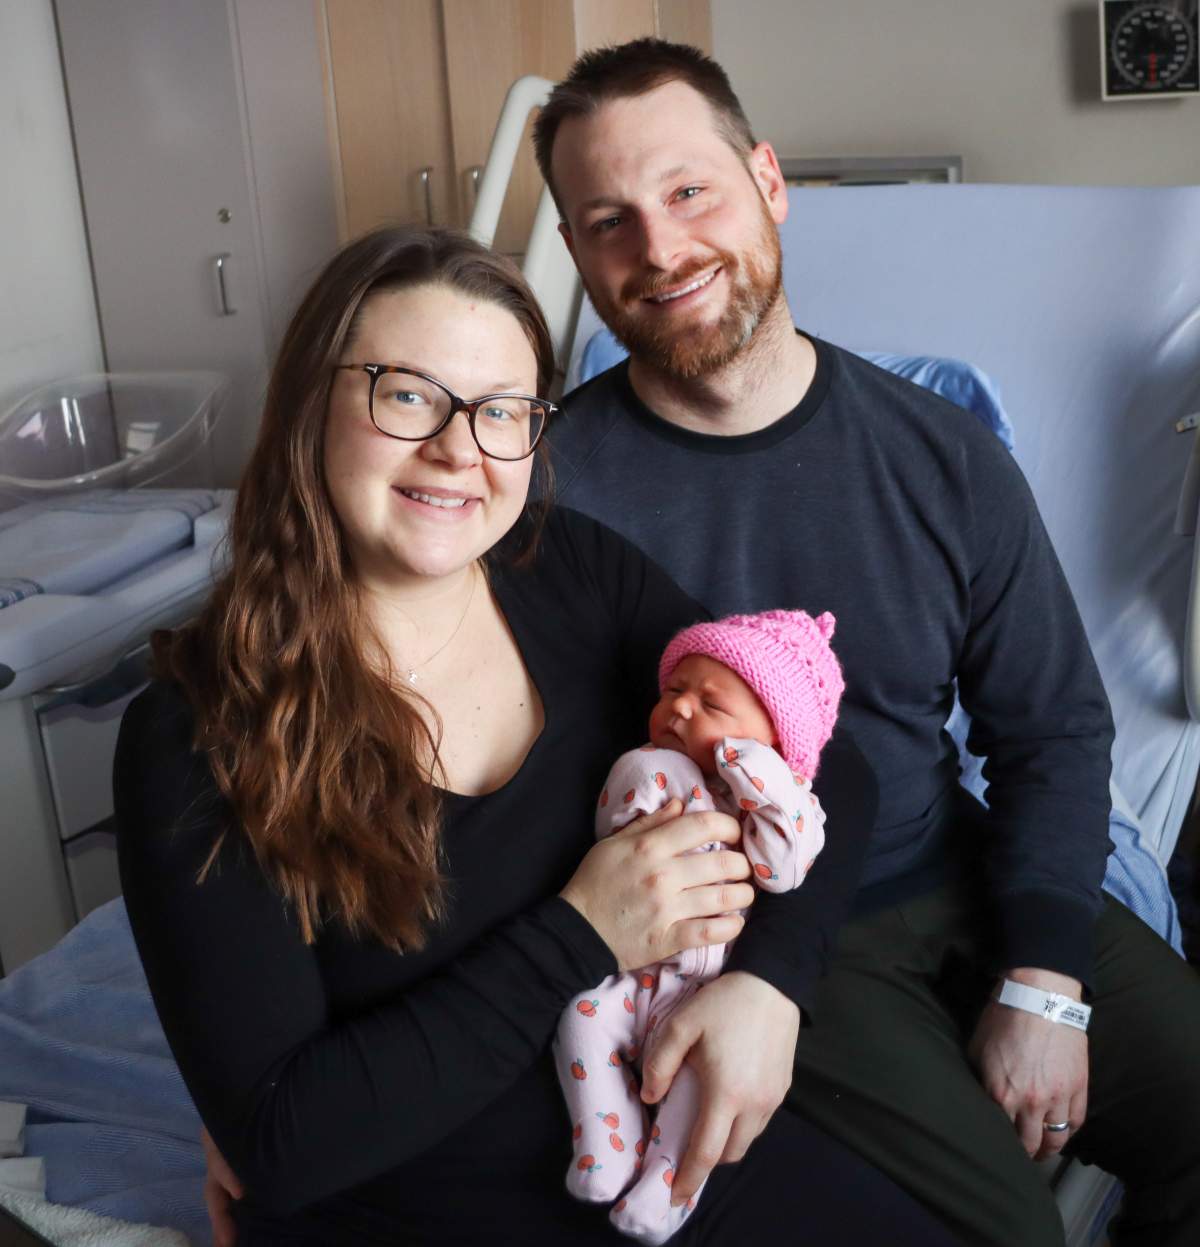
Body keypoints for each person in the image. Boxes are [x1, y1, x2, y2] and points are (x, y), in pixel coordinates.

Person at [115, 225, 961, 1246]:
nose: (459, 449)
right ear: (310, 402)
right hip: (437, 1214)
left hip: (679, 1161)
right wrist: (586, 928)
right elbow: (285, 1141)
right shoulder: (196, 733)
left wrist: (769, 985)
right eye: (408, 392)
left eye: (502, 410)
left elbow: (831, 767)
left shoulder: (567, 571)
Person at [530, 37, 1200, 1247]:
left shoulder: (942, 455)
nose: (662, 248)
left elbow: (1051, 724)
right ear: (576, 256)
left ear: (770, 181)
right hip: (765, 939)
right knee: (1009, 1231)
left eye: (691, 192)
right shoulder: (551, 497)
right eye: (608, 221)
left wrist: (1046, 977)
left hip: (963, 870)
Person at [558, 609, 840, 1244]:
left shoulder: (787, 801)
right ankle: (604, 1138)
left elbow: (782, 871)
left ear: (771, 739)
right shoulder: (645, 765)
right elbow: (617, 827)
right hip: (630, 970)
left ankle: (666, 1185)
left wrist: (763, 782)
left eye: (711, 703)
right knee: (580, 1016)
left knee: (702, 1079)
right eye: (673, 691)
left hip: (706, 989)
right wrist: (684, 771)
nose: (680, 709)